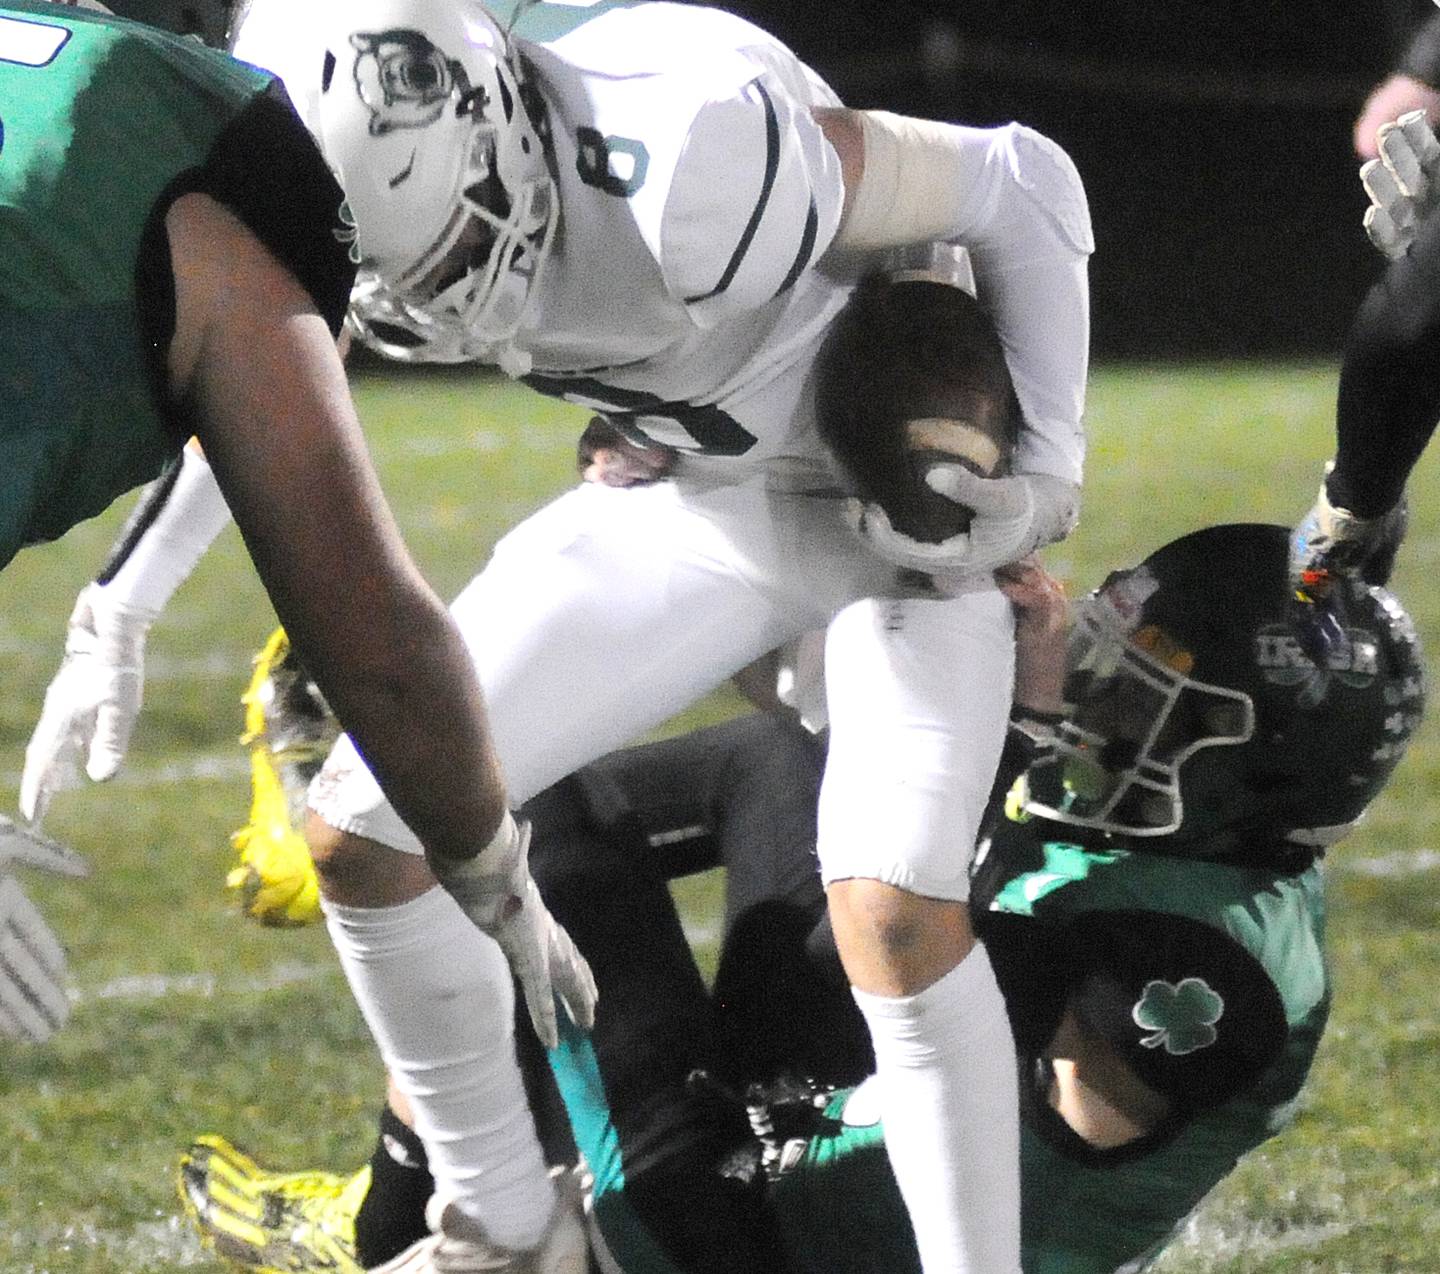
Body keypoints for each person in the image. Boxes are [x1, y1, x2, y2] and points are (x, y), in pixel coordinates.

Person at [19, 1, 1094, 1269]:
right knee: (365, 838)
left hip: (892, 498)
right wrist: (121, 601)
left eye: (457, 246)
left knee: (896, 905)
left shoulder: (694, 161)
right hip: (699, 502)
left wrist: (1042, 470)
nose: (443, 302)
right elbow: (259, 356)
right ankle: (509, 1233)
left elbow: (1026, 180)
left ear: (505, 133)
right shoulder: (354, 165)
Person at [175, 520, 1427, 1273]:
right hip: (814, 1122)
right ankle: (407, 824)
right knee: (743, 768)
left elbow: (868, 952)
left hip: (745, 1228)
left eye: (1150, 696)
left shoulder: (1206, 973)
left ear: (1242, 761)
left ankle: (453, 1219)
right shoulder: (1191, 864)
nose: (1108, 697)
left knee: (529, 823)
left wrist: (1014, 726)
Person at [1, 2, 598, 1267]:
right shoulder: (213, 177)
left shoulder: (78, 90)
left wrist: (119, 605)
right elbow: (377, 639)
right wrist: (488, 862)